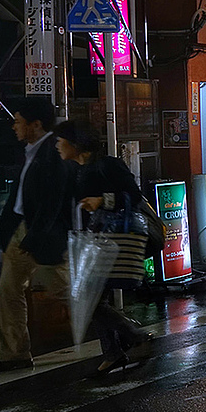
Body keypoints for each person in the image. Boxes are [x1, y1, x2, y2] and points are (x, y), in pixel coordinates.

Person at [56, 120, 153, 374]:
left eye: (61, 140)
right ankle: (115, 350)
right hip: (93, 242)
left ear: (75, 144)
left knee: (90, 297)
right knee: (92, 296)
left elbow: (134, 195)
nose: (57, 145)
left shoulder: (107, 165)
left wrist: (102, 200)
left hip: (113, 241)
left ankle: (131, 336)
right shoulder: (73, 170)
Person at [0, 97, 77, 373]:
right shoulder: (29, 151)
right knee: (9, 291)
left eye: (18, 122)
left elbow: (52, 203)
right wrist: (8, 235)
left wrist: (34, 237)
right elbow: (20, 197)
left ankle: (121, 331)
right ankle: (13, 355)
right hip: (20, 233)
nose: (14, 127)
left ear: (35, 125)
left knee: (67, 293)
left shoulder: (54, 153)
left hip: (43, 237)